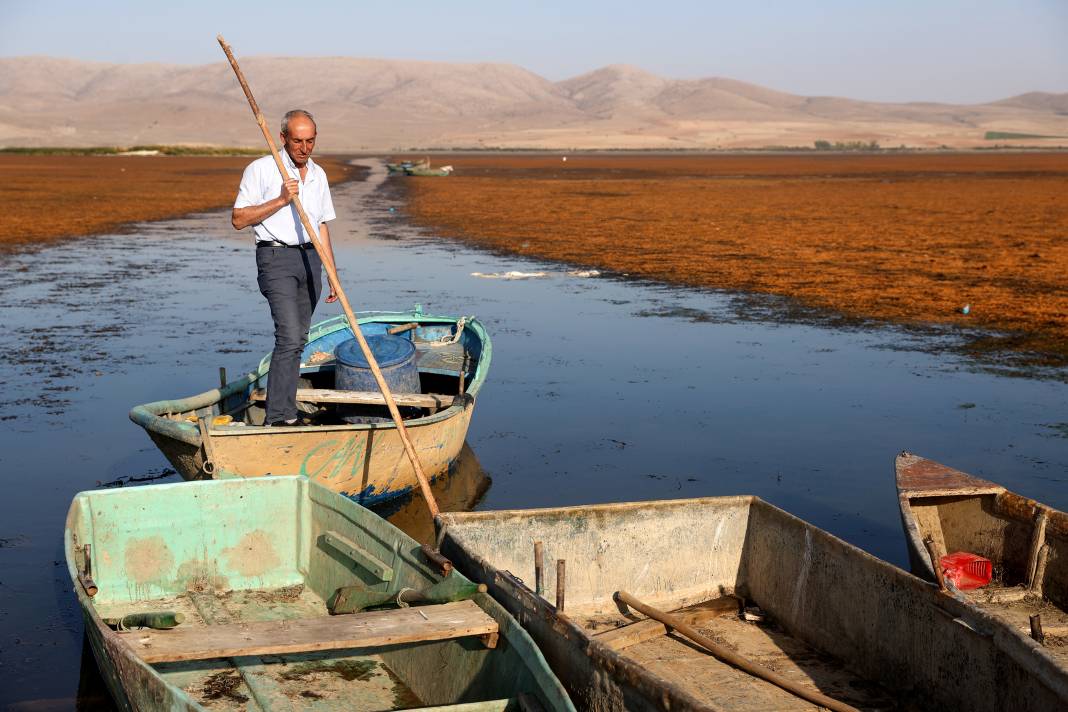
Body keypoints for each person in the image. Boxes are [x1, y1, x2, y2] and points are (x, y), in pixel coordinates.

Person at [232, 109, 338, 426]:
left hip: (311, 259)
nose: (304, 148)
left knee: (299, 340)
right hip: (276, 258)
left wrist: (333, 273)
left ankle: (287, 411)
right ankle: (278, 418)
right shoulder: (262, 170)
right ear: (282, 138)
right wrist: (280, 200)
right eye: (297, 141)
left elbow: (320, 227)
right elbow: (238, 219)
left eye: (310, 141)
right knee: (289, 336)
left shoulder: (319, 175)